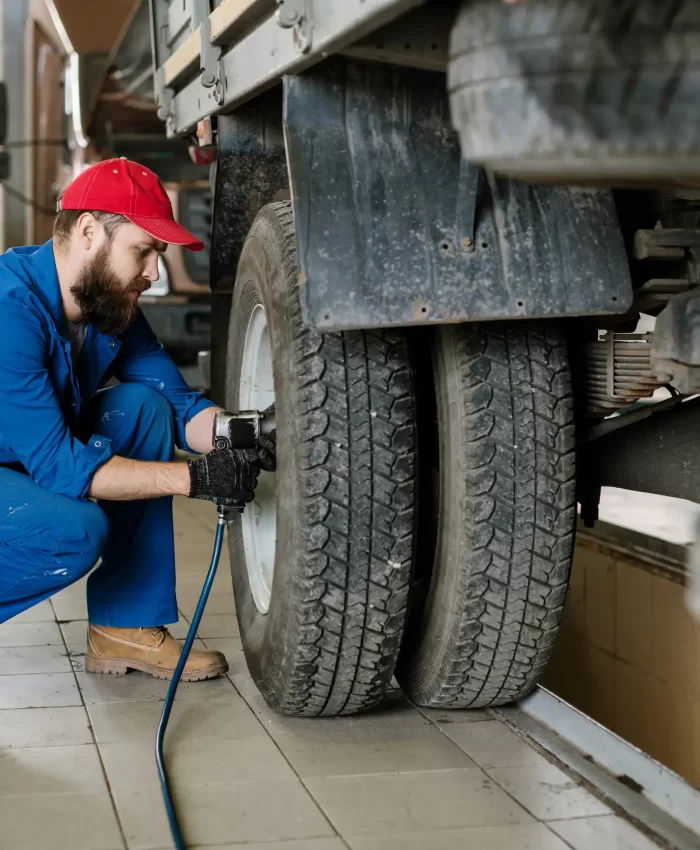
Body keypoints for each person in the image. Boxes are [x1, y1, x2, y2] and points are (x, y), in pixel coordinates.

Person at [0, 158, 274, 681]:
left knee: (142, 409)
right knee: (75, 530)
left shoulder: (109, 308)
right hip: (24, 466)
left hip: (23, 458)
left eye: (158, 254)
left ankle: (123, 627)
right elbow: (63, 469)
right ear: (87, 232)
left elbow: (176, 405)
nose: (153, 271)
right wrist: (195, 478)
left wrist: (252, 432)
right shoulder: (9, 310)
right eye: (142, 250)